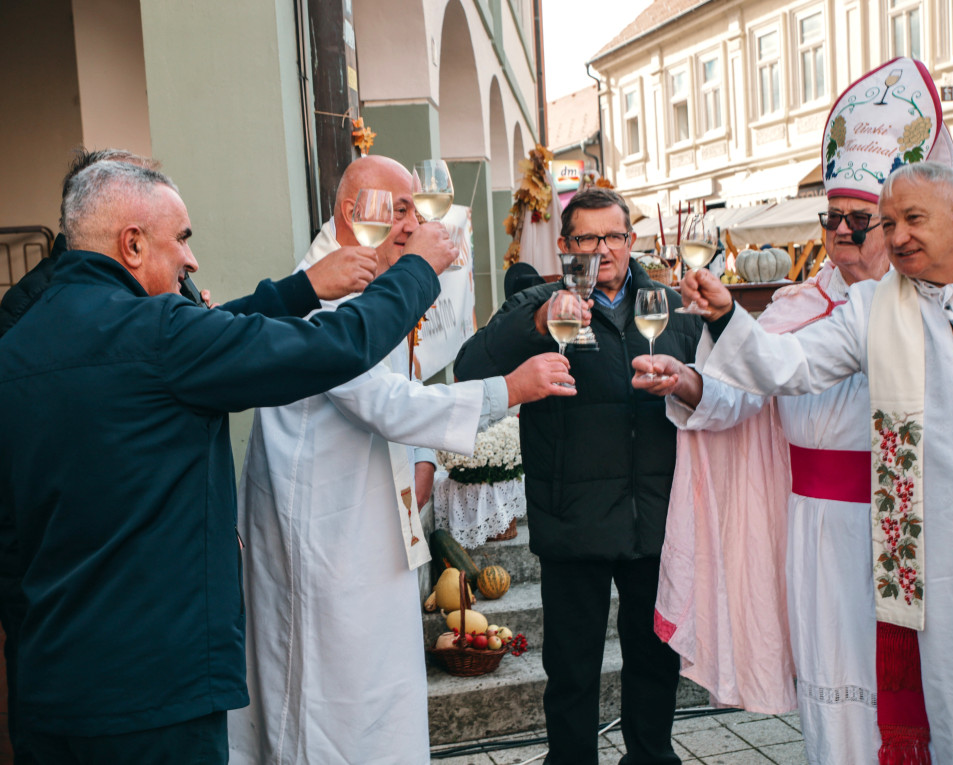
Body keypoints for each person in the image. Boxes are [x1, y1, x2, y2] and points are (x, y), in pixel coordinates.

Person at [0, 159, 457, 764]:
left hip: (46, 688)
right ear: (131, 243)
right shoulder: (160, 336)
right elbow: (333, 346)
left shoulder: (15, 348)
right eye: (182, 239)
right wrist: (420, 270)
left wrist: (299, 290)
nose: (191, 261)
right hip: (157, 693)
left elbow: (9, 541)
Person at [632, 58, 953, 764]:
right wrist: (686, 380)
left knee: (915, 695)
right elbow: (741, 393)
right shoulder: (792, 305)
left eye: (859, 217)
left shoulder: (926, 308)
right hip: (813, 531)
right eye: (831, 216)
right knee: (832, 698)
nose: (843, 230)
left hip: (900, 521)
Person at [227, 155, 575, 765]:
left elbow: (400, 389)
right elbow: (384, 400)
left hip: (366, 530)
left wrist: (420, 458)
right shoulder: (322, 293)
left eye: (418, 207)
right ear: (354, 214)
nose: (415, 222)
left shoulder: (365, 283)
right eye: (404, 208)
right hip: (324, 539)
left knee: (377, 695)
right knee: (330, 700)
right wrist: (508, 390)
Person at [677, 160, 953, 763]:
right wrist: (730, 315)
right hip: (931, 547)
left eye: (912, 218)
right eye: (889, 223)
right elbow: (789, 364)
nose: (898, 235)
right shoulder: (871, 309)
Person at [454, 187, 702, 765]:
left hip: (653, 521)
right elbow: (470, 367)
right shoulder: (537, 305)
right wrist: (541, 320)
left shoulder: (665, 307)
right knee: (570, 673)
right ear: (566, 247)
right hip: (571, 523)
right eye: (586, 239)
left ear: (630, 240)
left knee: (654, 662)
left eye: (612, 236)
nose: (602, 250)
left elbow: (713, 393)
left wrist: (685, 382)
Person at [0, 147, 384, 338]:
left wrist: (305, 288)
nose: (192, 261)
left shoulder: (155, 280)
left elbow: (218, 333)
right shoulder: (25, 310)